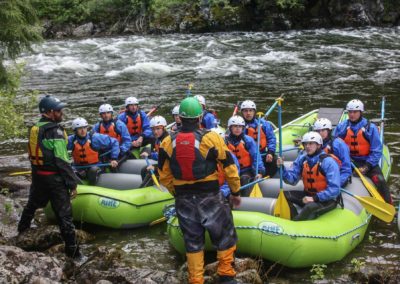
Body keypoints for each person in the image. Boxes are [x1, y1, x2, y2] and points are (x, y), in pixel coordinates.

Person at [158, 97, 241, 284]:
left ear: (180, 117)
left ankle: (196, 280)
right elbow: (229, 168)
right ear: (200, 116)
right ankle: (226, 274)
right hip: (210, 195)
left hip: (183, 198)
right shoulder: (211, 138)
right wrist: (235, 192)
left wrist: (177, 192)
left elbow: (163, 175)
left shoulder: (166, 142)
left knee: (192, 240)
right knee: (224, 233)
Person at [19, 95, 81, 258]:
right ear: (50, 112)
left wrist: (36, 177)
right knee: (65, 216)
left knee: (31, 205)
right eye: (59, 110)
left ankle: (21, 233)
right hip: (55, 180)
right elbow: (62, 161)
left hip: (39, 176)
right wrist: (72, 184)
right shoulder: (56, 131)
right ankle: (73, 253)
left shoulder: (35, 128)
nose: (62, 112)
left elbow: (34, 156)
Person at [334, 99, 392, 203]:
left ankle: (389, 204)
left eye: (355, 112)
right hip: (348, 161)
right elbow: (334, 144)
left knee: (379, 180)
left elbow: (376, 150)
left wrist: (367, 166)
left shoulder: (370, 128)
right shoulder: (342, 127)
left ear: (361, 112)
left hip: (367, 161)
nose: (352, 114)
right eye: (350, 112)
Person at [277, 132, 341, 221]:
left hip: (327, 200)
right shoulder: (302, 159)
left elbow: (334, 190)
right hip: (308, 195)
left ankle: (296, 224)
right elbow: (292, 180)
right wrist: (282, 168)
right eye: (305, 144)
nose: (307, 146)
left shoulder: (328, 162)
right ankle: (293, 218)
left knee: (309, 207)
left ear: (318, 145)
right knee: (283, 195)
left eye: (311, 143)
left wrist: (314, 198)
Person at [68, 117, 120, 185]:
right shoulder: (70, 140)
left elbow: (115, 142)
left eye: (84, 128)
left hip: (95, 166)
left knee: (93, 170)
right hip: (78, 167)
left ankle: (93, 187)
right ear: (75, 130)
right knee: (68, 171)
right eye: (80, 128)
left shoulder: (95, 138)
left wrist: (114, 158)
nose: (83, 131)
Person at [225, 115, 265, 197]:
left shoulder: (248, 140)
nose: (237, 128)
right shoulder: (224, 142)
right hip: (230, 171)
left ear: (243, 128)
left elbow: (256, 156)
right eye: (235, 126)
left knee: (244, 179)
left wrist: (260, 172)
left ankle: (244, 201)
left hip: (246, 171)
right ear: (230, 128)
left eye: (240, 126)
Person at [240, 100, 278, 177]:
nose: (248, 113)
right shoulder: (239, 126)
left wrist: (270, 152)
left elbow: (271, 138)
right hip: (248, 155)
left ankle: (266, 177)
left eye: (250, 110)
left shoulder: (263, 124)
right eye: (245, 111)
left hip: (262, 154)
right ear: (242, 112)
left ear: (254, 112)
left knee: (274, 160)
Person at [313, 118, 352, 187]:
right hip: (319, 176)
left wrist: (336, 184)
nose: (320, 133)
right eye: (317, 131)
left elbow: (346, 169)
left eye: (323, 130)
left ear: (329, 131)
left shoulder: (338, 144)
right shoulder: (312, 145)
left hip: (335, 176)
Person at [140, 115, 170, 185]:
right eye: (153, 129)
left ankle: (145, 188)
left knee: (149, 172)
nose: (155, 132)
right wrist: (150, 155)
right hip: (163, 165)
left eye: (158, 129)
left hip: (169, 168)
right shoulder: (158, 139)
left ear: (164, 128)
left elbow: (167, 159)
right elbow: (160, 155)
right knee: (144, 170)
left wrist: (156, 168)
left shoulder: (168, 141)